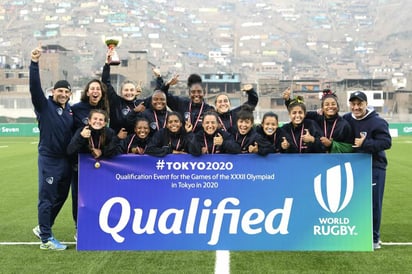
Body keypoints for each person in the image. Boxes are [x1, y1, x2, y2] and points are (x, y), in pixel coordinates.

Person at [29, 46, 72, 250]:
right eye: (59, 91)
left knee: (61, 196)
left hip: (65, 161)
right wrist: (34, 63)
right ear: (53, 92)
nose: (62, 94)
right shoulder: (44, 106)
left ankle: (42, 227)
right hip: (49, 159)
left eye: (66, 91)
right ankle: (46, 239)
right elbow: (34, 88)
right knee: (46, 198)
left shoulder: (70, 111)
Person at [343, 91, 392, 250]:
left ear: (366, 104)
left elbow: (386, 142)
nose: (356, 107)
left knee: (373, 204)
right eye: (353, 104)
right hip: (354, 166)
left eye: (359, 104)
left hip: (374, 166)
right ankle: (356, 233)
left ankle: (374, 239)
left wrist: (365, 144)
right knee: (353, 202)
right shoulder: (346, 119)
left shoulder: (377, 122)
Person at [283, 88, 353, 153]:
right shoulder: (317, 118)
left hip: (336, 161)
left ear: (337, 107)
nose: (330, 106)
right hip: (318, 158)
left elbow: (349, 148)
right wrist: (288, 101)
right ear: (322, 108)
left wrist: (331, 144)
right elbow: (299, 114)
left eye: (333, 104)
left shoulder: (344, 125)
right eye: (327, 104)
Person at [102, 48, 150, 136]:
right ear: (121, 92)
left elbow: (156, 97)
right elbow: (106, 83)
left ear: (136, 91)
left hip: (134, 143)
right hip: (117, 141)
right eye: (126, 90)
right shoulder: (116, 102)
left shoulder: (140, 104)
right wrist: (107, 65)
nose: (129, 92)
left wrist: (160, 79)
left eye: (131, 90)